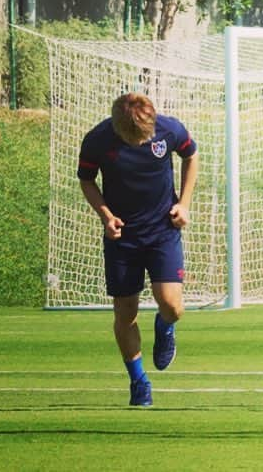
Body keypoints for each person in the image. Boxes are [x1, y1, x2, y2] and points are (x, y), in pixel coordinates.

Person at [78, 92, 198, 407]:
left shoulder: (169, 129)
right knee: (125, 312)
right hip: (123, 237)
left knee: (172, 306)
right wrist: (106, 216)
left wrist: (183, 204)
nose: (138, 143)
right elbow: (87, 180)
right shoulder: (97, 140)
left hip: (163, 231)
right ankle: (139, 381)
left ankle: (164, 326)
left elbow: (191, 155)